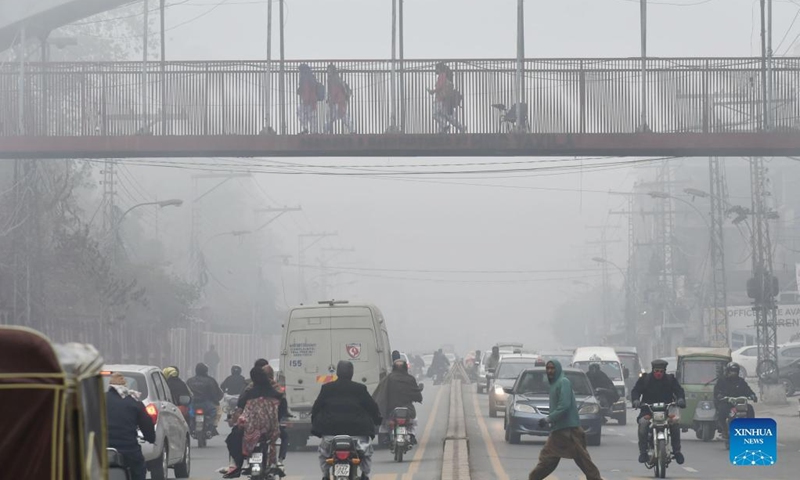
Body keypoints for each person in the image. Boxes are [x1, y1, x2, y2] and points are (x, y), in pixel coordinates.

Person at [528, 360, 602, 480]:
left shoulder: (563, 382)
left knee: (583, 461)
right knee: (548, 459)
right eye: (548, 368)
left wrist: (548, 419)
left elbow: (564, 405)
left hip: (570, 431)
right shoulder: (554, 384)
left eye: (552, 368)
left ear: (557, 369)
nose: (550, 371)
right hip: (559, 430)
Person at [312, 361, 382, 480]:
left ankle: (325, 475)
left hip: (330, 434)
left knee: (323, 454)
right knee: (366, 453)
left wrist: (315, 425)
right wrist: (377, 420)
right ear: (352, 373)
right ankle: (365, 475)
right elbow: (372, 407)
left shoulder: (327, 388)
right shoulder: (360, 389)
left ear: (337, 373)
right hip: (358, 434)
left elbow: (316, 408)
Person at [631, 359, 687, 464]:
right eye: (657, 371)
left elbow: (679, 390)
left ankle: (677, 451)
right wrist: (636, 400)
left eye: (661, 371)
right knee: (643, 424)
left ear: (664, 371)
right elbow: (636, 391)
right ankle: (643, 452)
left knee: (675, 423)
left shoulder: (670, 379)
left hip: (666, 411)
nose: (659, 373)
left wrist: (680, 399)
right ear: (653, 370)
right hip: (647, 411)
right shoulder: (645, 379)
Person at [106, 373, 156, 480]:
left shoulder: (99, 400)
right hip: (128, 449)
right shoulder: (134, 402)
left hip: (102, 450)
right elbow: (147, 425)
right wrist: (151, 438)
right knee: (139, 470)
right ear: (125, 386)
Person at [372, 359, 423, 445]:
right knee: (413, 421)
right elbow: (416, 394)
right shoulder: (410, 379)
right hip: (407, 409)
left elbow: (380, 394)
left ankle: (386, 436)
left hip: (391, 409)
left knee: (384, 422)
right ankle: (412, 435)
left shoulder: (388, 378)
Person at [713, 362, 757, 438]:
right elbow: (717, 392)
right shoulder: (722, 381)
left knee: (750, 409)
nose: (733, 373)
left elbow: (748, 390)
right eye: (731, 371)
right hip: (726, 403)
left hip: (739, 404)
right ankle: (724, 430)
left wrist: (752, 395)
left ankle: (749, 429)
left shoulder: (741, 382)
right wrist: (720, 396)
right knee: (721, 411)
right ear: (727, 371)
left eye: (735, 371)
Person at [186, 362, 224, 434]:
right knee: (214, 411)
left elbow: (185, 392)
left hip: (193, 404)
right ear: (206, 371)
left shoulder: (189, 381)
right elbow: (215, 392)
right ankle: (211, 427)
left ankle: (190, 427)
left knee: (189, 413)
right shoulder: (211, 380)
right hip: (206, 404)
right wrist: (216, 400)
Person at [427, 62, 464, 133]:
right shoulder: (445, 76)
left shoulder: (442, 75)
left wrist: (432, 91)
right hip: (445, 99)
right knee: (448, 116)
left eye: (436, 69)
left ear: (439, 69)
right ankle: (458, 127)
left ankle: (444, 127)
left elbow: (440, 86)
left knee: (436, 114)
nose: (435, 70)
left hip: (440, 99)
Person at [325, 63, 353, 133]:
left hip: (337, 101)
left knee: (333, 117)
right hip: (339, 101)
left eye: (329, 70)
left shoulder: (333, 79)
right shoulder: (336, 78)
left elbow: (334, 91)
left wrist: (331, 99)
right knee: (341, 116)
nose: (328, 72)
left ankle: (325, 130)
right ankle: (352, 130)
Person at [297, 63, 322, 134]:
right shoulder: (311, 77)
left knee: (303, 113)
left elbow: (307, 89)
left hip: (308, 100)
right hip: (311, 100)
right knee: (311, 116)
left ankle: (307, 129)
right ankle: (313, 131)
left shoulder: (305, 78)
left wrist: (305, 98)